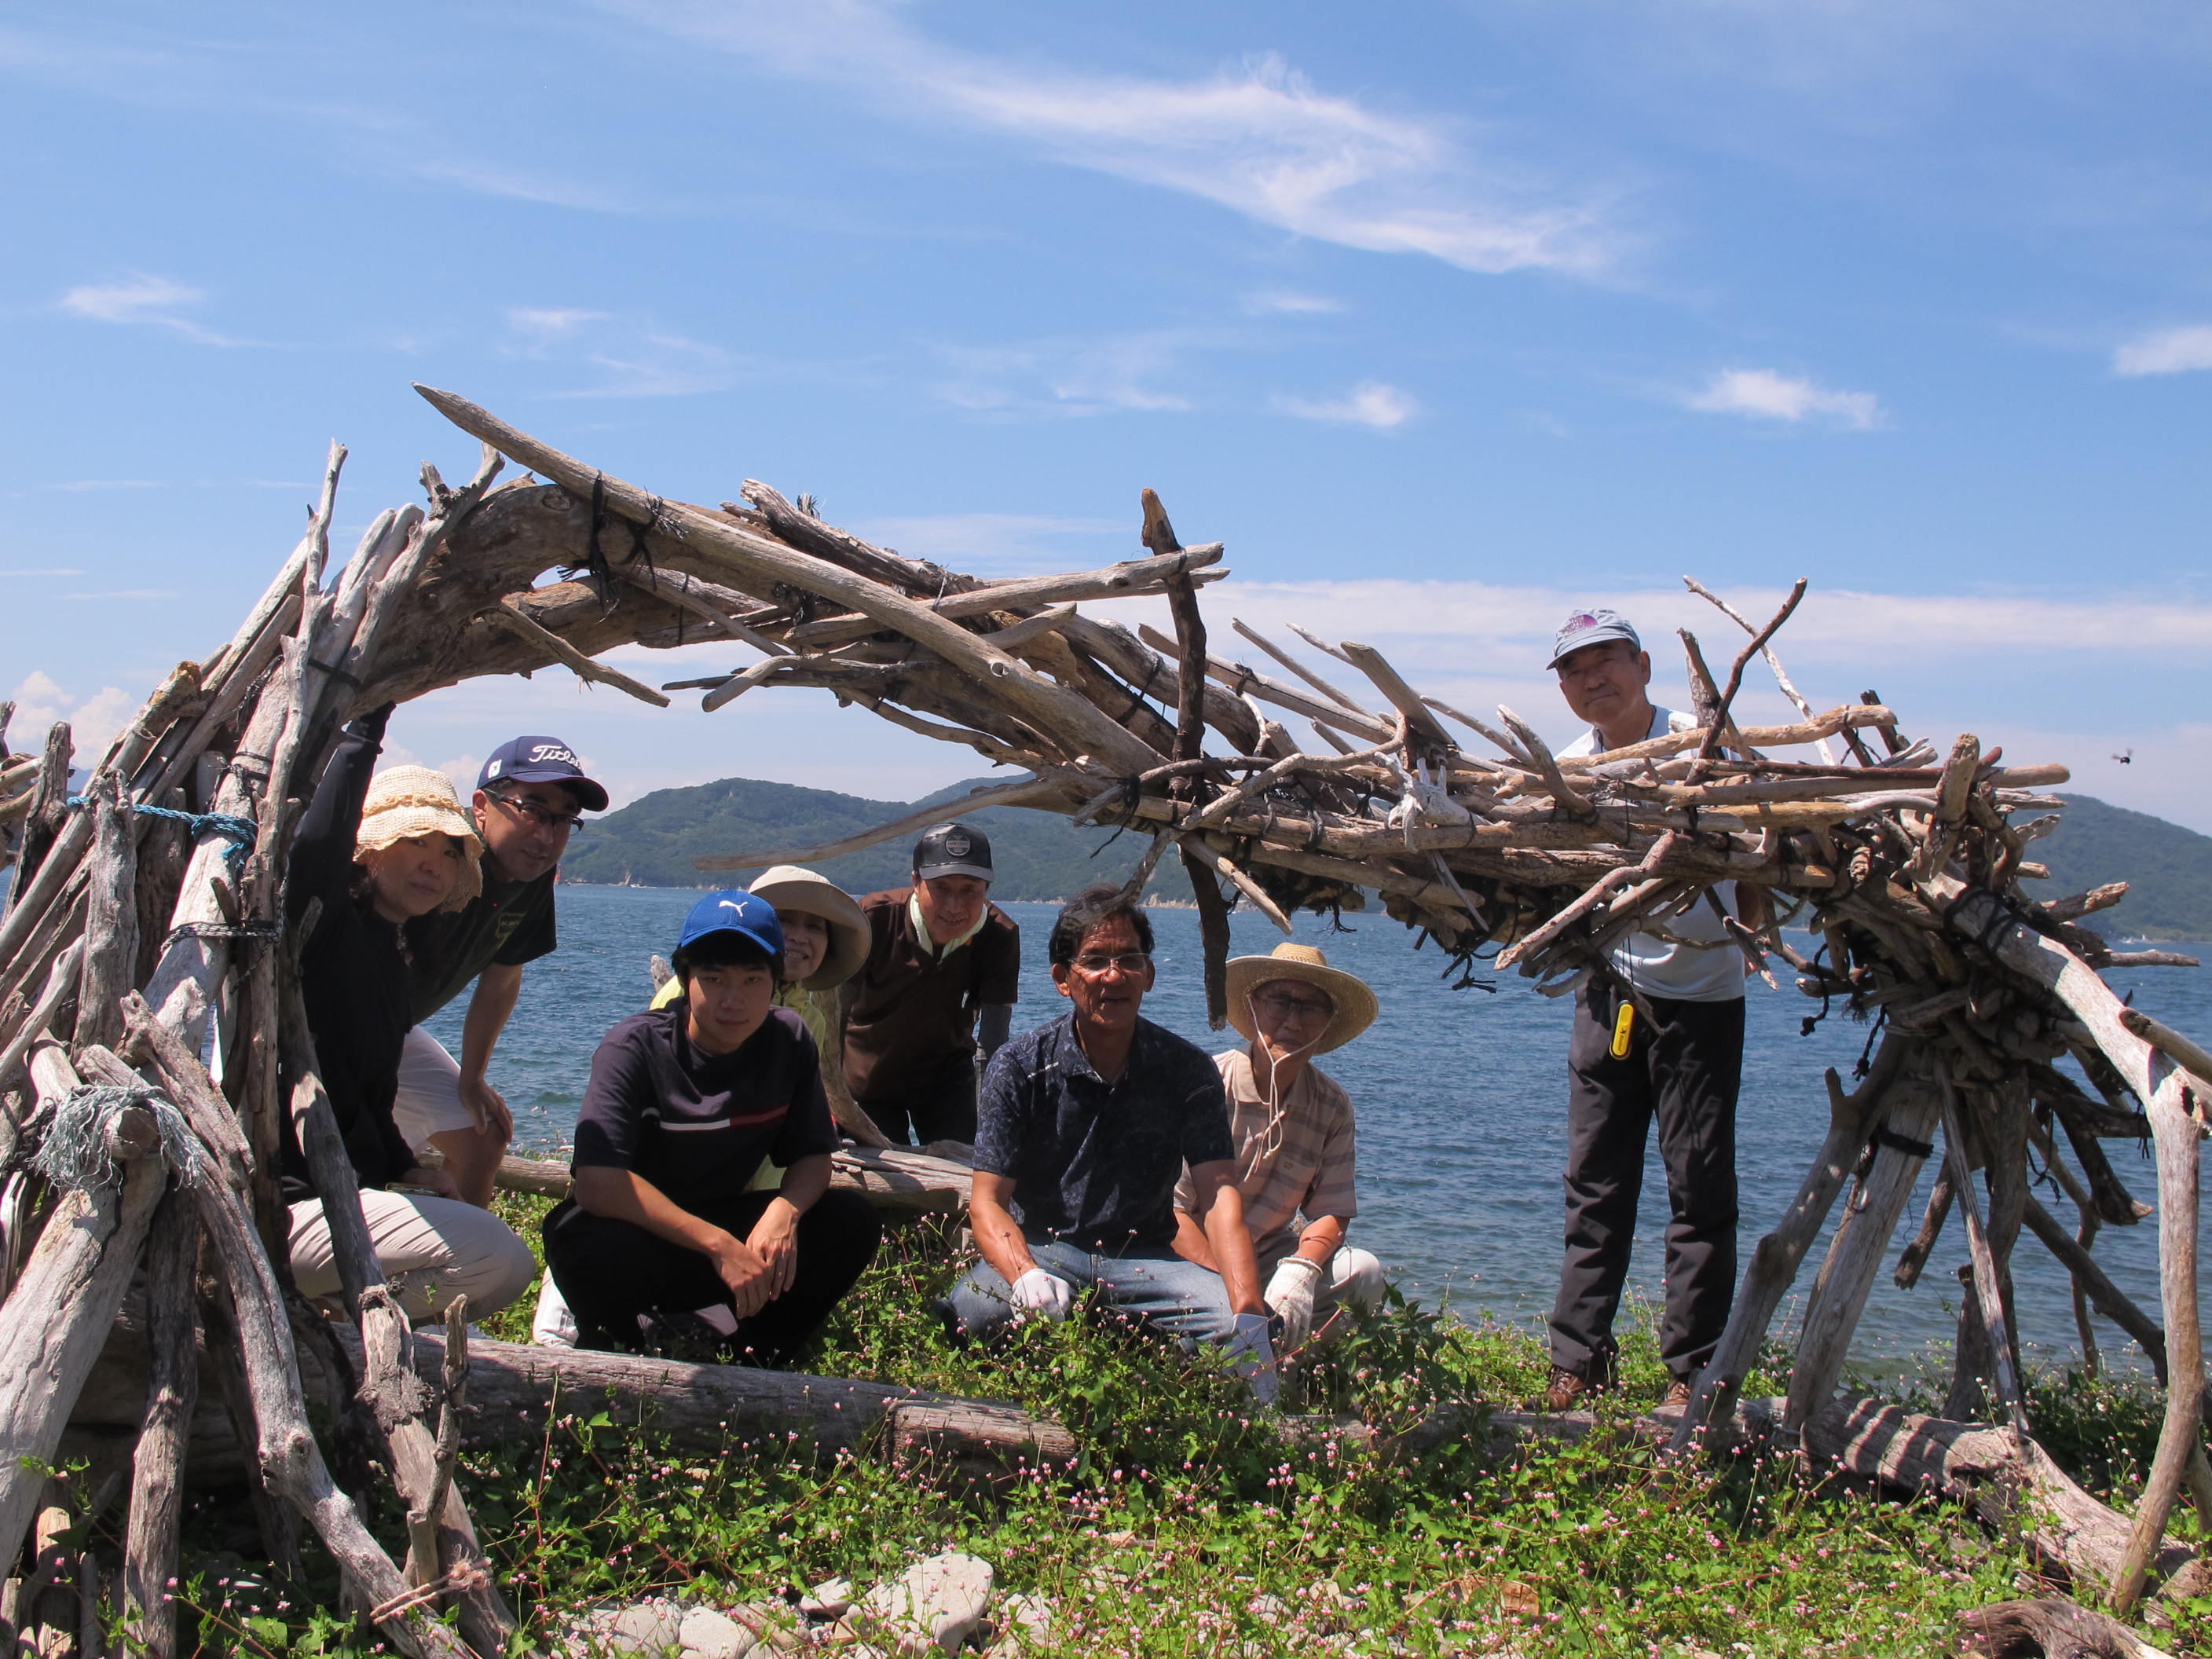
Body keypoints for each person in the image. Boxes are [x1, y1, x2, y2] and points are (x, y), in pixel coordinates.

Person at [1542, 609, 1763, 1412]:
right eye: (1574, 669)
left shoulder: (1702, 750)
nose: (1592, 680)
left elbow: (1763, 858)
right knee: (1593, 1181)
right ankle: (1577, 1359)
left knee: (1698, 1188)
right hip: (1607, 996)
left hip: (1703, 1000)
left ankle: (1691, 1370)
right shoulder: (1564, 769)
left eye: (1605, 662)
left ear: (1641, 664)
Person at [944, 885, 1279, 1399]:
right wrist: (1025, 1274)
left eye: (1129, 959)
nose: (1114, 975)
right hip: (1046, 1247)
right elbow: (988, 1202)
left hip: (1150, 1257)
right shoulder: (1020, 1067)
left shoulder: (1186, 1070)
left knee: (1238, 1330)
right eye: (1095, 961)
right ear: (1063, 979)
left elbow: (1219, 1198)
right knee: (970, 1311)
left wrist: (1248, 1309)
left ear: (1149, 974)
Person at [532, 864, 879, 1346]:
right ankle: (623, 1346)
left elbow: (813, 1157)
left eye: (753, 980)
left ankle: (751, 1353)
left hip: (730, 1219)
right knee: (575, 1238)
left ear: (776, 982)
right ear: (684, 978)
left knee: (851, 1221)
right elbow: (596, 1182)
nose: (733, 1001)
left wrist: (783, 1214)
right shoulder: (634, 1047)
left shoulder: (789, 1038)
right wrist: (717, 1245)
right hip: (648, 1232)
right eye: (713, 979)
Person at [285, 705, 537, 1321]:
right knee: (500, 1260)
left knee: (491, 1254)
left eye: (450, 851)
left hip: (344, 1193)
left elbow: (370, 1102)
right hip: (287, 1201)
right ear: (368, 850)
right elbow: (317, 846)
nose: (432, 861)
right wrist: (366, 724)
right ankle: (331, 1323)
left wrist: (406, 1168)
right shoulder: (326, 932)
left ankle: (336, 1321)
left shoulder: (394, 958)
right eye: (412, 841)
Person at [395, 734, 608, 1207]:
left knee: (483, 1136)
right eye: (532, 809)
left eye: (564, 819)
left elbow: (503, 978)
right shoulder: (439, 862)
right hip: (311, 1029)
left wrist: (473, 1078)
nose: (545, 836)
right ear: (482, 807)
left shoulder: (530, 880)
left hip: (393, 1031)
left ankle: (460, 1273)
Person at [1171, 943, 1386, 1357]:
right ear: (1253, 1006)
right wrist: (1236, 1286)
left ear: (1328, 1023)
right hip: (1192, 1258)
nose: (1292, 1020)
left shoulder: (1332, 1105)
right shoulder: (1207, 1085)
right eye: (1280, 1001)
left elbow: (1330, 1210)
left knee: (1364, 1273)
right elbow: (1171, 1213)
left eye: (1309, 1007)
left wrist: (1302, 1271)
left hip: (1269, 1257)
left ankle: (1291, 1369)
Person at [841, 822, 1020, 1147]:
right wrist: (828, 1096)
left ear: (986, 889)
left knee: (966, 1172)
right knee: (882, 1184)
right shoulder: (874, 919)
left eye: (970, 889)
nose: (955, 906)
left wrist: (989, 1122)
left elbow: (993, 1040)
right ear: (916, 882)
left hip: (945, 1077)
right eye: (941, 887)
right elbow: (834, 1016)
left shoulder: (999, 935)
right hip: (866, 1074)